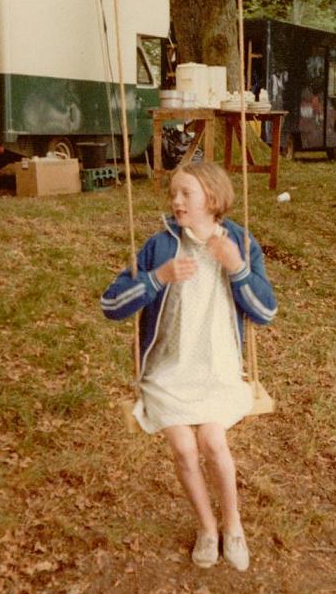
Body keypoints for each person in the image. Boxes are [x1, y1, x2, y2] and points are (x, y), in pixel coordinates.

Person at [100, 162, 277, 571]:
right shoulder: (160, 247)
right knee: (182, 447)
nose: (176, 201)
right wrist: (156, 278)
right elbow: (110, 306)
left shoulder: (239, 243)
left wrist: (237, 267)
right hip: (169, 371)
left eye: (186, 194)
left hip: (218, 371)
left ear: (211, 200)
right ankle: (207, 527)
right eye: (174, 194)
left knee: (213, 442)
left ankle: (232, 525)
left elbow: (266, 312)